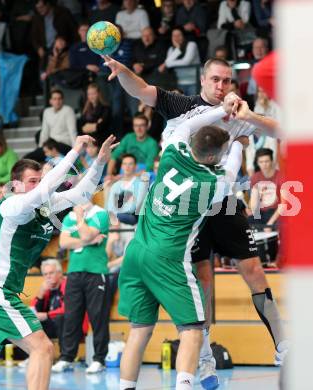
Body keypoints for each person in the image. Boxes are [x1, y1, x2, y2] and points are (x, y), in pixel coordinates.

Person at [102, 55, 286, 388]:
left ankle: (282, 346)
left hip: (209, 209)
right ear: (202, 80)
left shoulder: (196, 135)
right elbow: (141, 90)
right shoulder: (181, 106)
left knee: (253, 269)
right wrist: (124, 71)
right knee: (199, 280)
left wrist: (246, 115)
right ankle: (201, 361)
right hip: (193, 210)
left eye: (227, 81)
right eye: (215, 79)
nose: (221, 86)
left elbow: (279, 129)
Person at [0, 134, 117, 390]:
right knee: (43, 348)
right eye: (32, 181)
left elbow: (82, 193)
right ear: (15, 185)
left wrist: (99, 162)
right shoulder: (10, 205)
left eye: (39, 181)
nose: (38, 186)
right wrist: (76, 150)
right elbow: (45, 190)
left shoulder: (43, 206)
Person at [118, 103, 247, 390]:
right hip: (168, 259)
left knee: (139, 332)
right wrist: (238, 139)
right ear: (213, 156)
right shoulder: (213, 184)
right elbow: (233, 163)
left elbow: (188, 126)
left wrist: (221, 109)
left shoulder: (172, 152)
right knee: (192, 330)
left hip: (136, 253)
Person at [52, 202, 110, 374]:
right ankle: (67, 357)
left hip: (96, 272)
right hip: (74, 273)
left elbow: (85, 234)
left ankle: (99, 359)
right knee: (71, 317)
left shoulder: (101, 214)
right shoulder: (69, 216)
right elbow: (63, 242)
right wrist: (89, 242)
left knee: (98, 318)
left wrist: (79, 217)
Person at [25, 89, 77, 162]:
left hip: (65, 144)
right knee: (27, 158)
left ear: (62, 100)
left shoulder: (68, 110)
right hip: (51, 144)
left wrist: (76, 150)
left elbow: (73, 132)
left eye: (59, 99)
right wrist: (40, 148)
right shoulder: (47, 111)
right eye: (54, 99)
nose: (57, 101)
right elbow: (44, 132)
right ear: (50, 101)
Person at [106, 114, 159, 179]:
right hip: (126, 170)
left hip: (143, 174)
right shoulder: (128, 137)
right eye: (136, 125)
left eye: (142, 125)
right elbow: (114, 156)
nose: (138, 129)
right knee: (103, 185)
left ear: (147, 126)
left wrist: (128, 177)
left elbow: (149, 168)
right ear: (133, 127)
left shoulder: (152, 143)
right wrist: (109, 175)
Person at [248, 148, 283, 229]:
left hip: (276, 212)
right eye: (261, 162)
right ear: (257, 163)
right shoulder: (255, 177)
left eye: (266, 161)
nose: (264, 164)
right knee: (248, 222)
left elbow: (284, 205)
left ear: (271, 161)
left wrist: (270, 224)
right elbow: (253, 206)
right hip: (261, 213)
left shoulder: (281, 176)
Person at [164, 26, 201, 96]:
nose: (176, 38)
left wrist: (172, 63)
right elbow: (167, 64)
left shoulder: (191, 45)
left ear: (184, 36)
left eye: (179, 35)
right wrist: (178, 49)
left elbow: (186, 62)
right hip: (179, 83)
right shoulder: (171, 49)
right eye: (174, 36)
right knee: (181, 106)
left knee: (194, 105)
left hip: (194, 81)